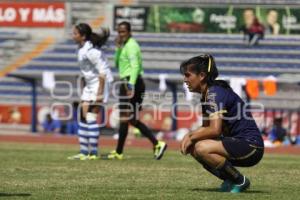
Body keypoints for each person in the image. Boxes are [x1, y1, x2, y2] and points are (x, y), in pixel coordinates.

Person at [180, 54, 264, 193]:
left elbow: (214, 130)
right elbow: (206, 128)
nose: (185, 79)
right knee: (194, 148)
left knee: (201, 147)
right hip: (237, 143)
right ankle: (230, 179)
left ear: (201, 75)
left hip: (251, 146)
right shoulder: (206, 95)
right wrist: (192, 138)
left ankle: (239, 180)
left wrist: (190, 136)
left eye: (188, 75)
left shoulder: (214, 93)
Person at [106, 21, 167, 160]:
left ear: (129, 32)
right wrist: (118, 48)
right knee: (129, 119)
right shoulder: (124, 46)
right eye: (119, 31)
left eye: (123, 31)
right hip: (127, 81)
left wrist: (131, 85)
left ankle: (155, 144)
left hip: (131, 82)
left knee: (126, 118)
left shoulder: (132, 46)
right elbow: (117, 64)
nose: (121, 34)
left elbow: (134, 67)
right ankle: (122, 151)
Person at [68, 23, 113, 160]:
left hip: (101, 84)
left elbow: (103, 73)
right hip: (90, 85)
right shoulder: (81, 49)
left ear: (83, 36)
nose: (73, 35)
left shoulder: (92, 52)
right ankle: (83, 152)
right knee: (82, 117)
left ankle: (93, 153)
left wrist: (100, 92)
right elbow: (87, 72)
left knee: (91, 117)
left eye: (75, 33)